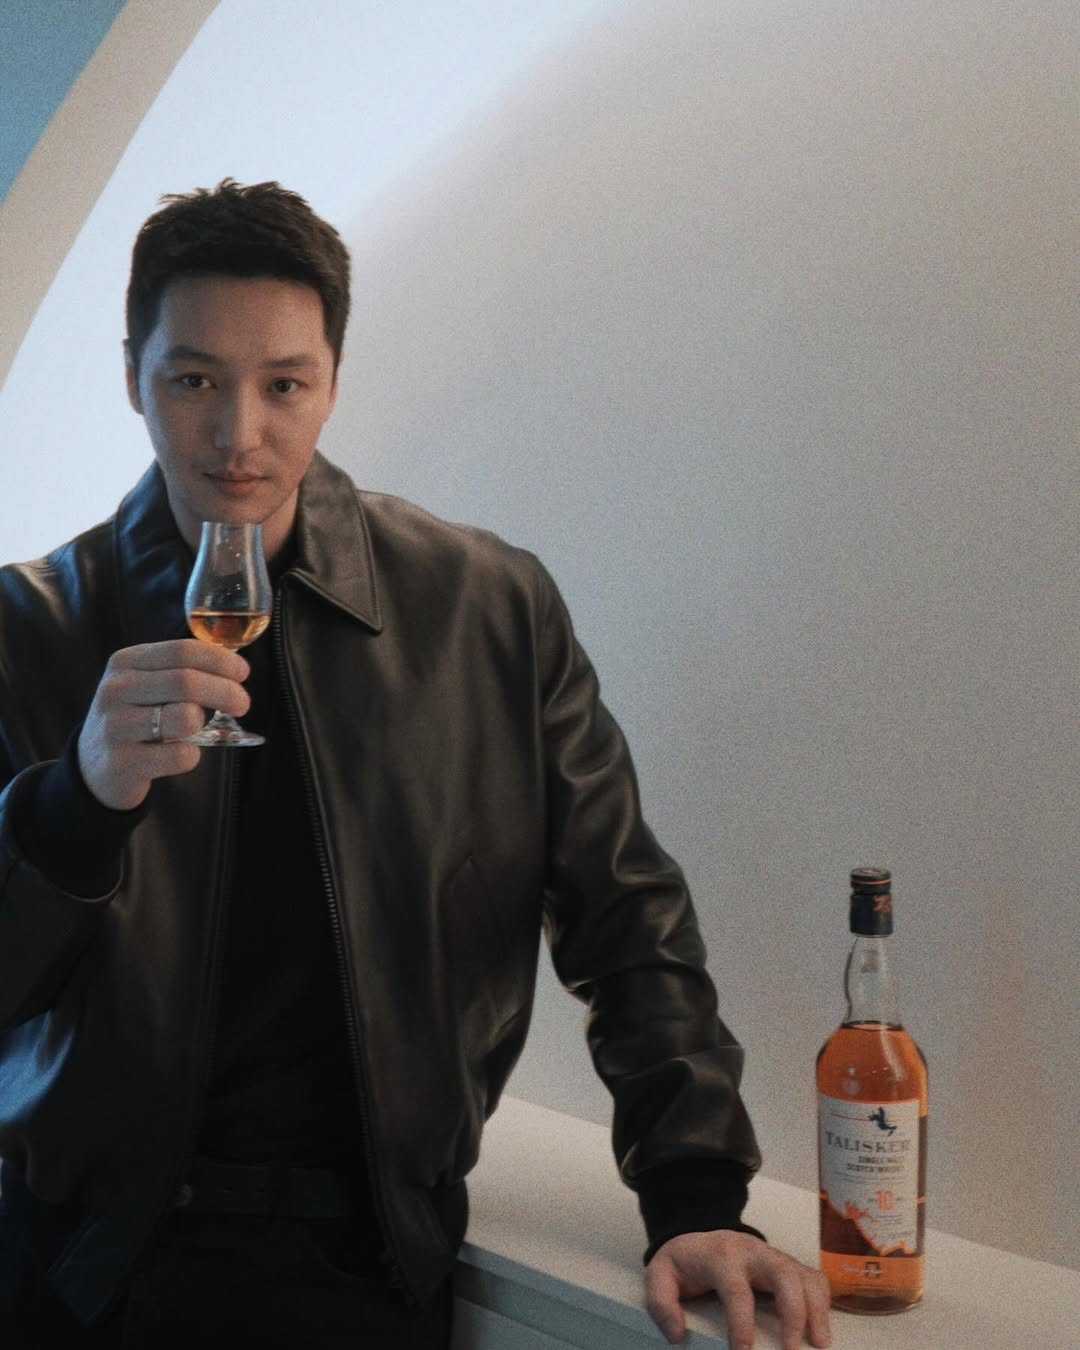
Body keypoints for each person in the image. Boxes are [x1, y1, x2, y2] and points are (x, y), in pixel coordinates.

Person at [0, 180, 831, 1349]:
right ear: (134, 375)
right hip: (85, 1272)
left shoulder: (488, 608)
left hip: (369, 1266)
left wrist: (696, 1197)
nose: (238, 435)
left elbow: (625, 914)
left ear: (333, 382)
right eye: (194, 381)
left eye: (283, 384)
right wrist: (76, 803)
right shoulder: (28, 629)